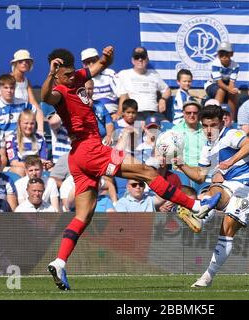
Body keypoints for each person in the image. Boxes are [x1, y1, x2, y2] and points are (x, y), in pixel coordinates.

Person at [41, 47, 221, 290]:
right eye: (62, 74)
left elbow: (97, 67)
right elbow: (45, 97)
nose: (68, 77)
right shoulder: (59, 89)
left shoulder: (78, 77)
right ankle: (196, 206)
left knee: (83, 215)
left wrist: (106, 58)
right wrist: (51, 75)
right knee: (147, 172)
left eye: (69, 73)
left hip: (80, 156)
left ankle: (60, 261)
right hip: (90, 149)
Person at [174, 104, 249, 287]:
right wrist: (181, 164)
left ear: (221, 123)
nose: (209, 130)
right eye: (205, 126)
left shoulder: (231, 134)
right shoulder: (207, 148)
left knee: (227, 228)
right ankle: (201, 217)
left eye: (213, 125)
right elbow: (199, 176)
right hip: (230, 186)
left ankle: (207, 276)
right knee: (209, 189)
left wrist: (230, 161)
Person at [115, 47, 171, 120]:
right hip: (135, 114)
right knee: (139, 129)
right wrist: (118, 113)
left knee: (168, 129)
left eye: (143, 57)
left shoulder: (154, 74)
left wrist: (163, 99)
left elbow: (167, 90)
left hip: (153, 113)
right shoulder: (123, 74)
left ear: (147, 60)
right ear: (132, 60)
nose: (140, 59)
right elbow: (120, 94)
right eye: (137, 57)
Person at [5, 109, 50, 176]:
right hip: (21, 168)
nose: (29, 126)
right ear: (19, 123)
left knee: (51, 171)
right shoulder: (12, 139)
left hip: (36, 168)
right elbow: (14, 163)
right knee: (20, 171)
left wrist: (46, 164)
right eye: (26, 123)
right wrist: (31, 167)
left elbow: (43, 160)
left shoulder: (40, 138)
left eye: (32, 123)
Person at [10, 49, 45, 135]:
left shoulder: (27, 81)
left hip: (24, 123)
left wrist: (41, 129)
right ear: (15, 64)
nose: (24, 63)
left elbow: (33, 103)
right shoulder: (9, 79)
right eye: (20, 61)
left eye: (27, 61)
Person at [0, 74, 36, 138]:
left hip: (20, 139)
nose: (9, 91)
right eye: (6, 88)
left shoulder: (23, 103)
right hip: (3, 142)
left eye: (11, 88)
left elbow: (34, 109)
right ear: (0, 88)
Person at [204, 41, 240, 120]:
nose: (224, 56)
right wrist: (231, 89)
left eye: (226, 54)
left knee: (233, 93)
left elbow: (231, 84)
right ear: (218, 55)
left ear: (231, 54)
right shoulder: (215, 63)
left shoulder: (236, 66)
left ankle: (232, 119)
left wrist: (232, 90)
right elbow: (219, 83)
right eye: (221, 54)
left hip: (225, 86)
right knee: (221, 90)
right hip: (211, 85)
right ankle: (215, 117)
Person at [81, 48, 119, 116]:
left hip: (112, 113)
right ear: (83, 64)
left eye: (93, 61)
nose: (91, 64)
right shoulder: (80, 78)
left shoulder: (110, 73)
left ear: (99, 60)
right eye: (87, 62)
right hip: (92, 115)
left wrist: (118, 115)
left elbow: (123, 95)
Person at [173, 101, 206, 167]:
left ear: (199, 114)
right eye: (188, 113)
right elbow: (172, 153)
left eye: (195, 113)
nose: (192, 115)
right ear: (183, 114)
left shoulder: (206, 130)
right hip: (182, 169)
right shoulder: (175, 130)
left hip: (201, 170)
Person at [85, 79, 114, 146]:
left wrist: (109, 136)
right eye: (84, 89)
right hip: (85, 142)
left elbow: (109, 123)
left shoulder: (99, 105)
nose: (87, 91)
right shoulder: (75, 105)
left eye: (90, 89)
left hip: (101, 140)